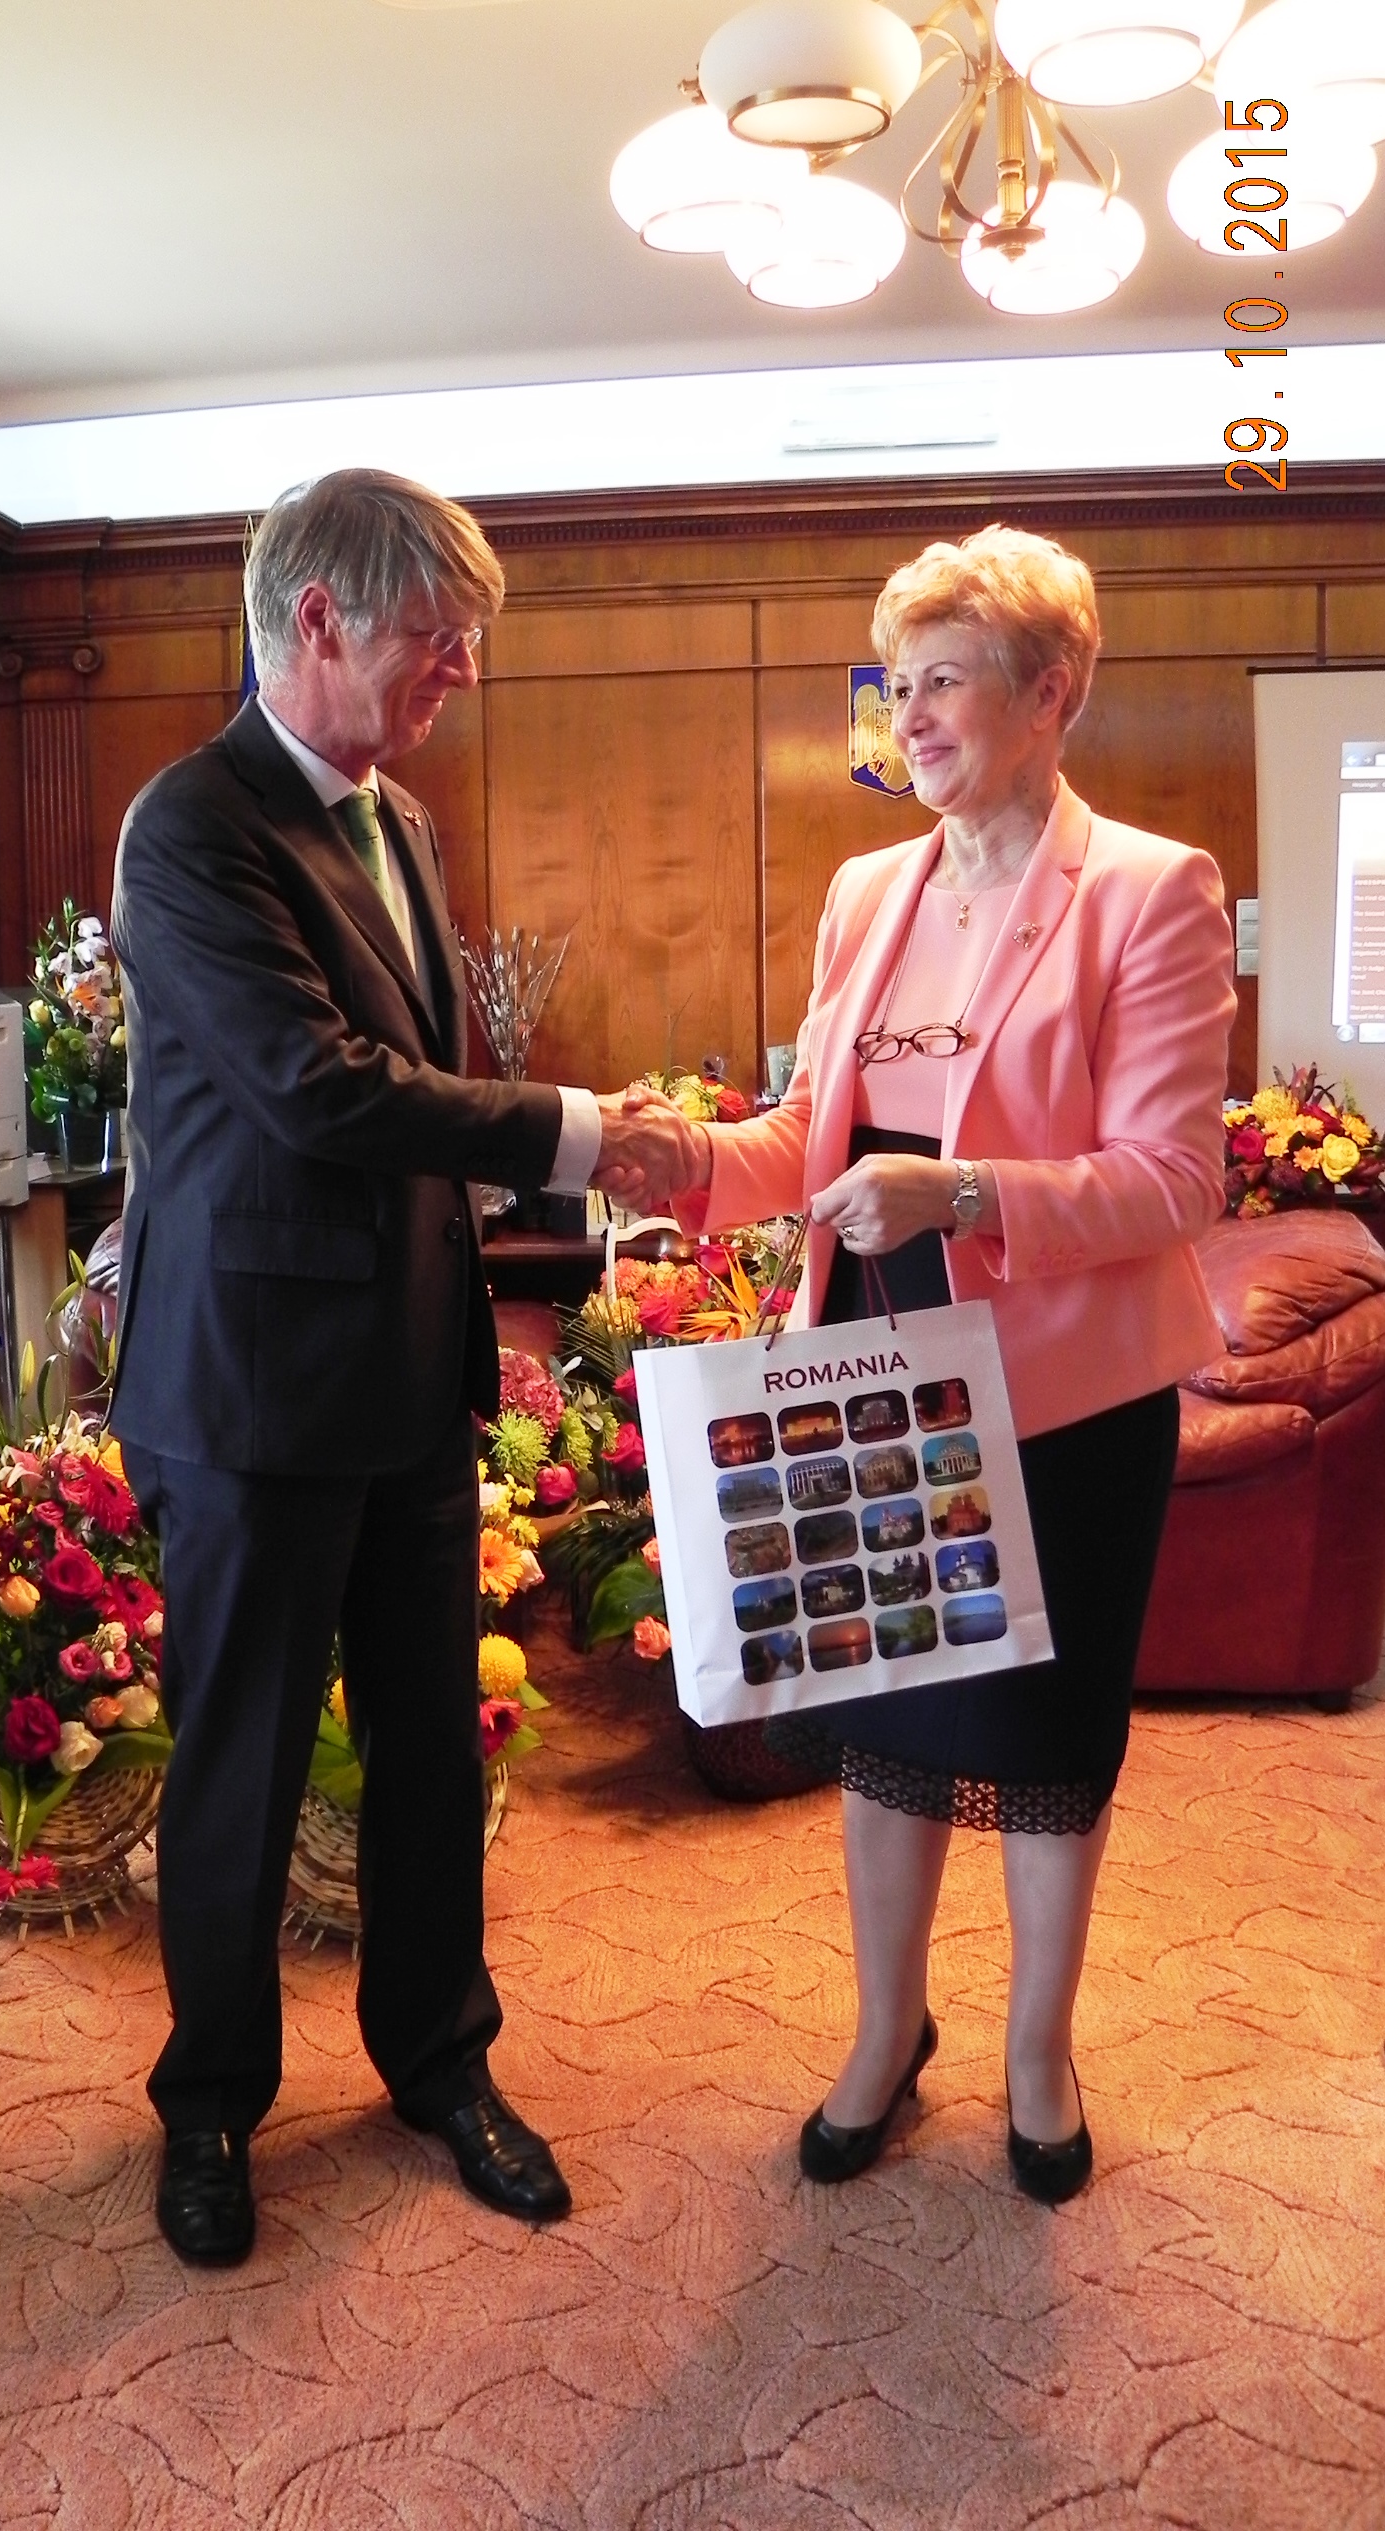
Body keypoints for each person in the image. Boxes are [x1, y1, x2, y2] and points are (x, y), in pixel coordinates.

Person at [107, 468, 696, 2265]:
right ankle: (211, 2102)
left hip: (408, 1377)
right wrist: (576, 1133)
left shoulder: (400, 822)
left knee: (432, 1754)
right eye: (436, 639)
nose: (462, 673)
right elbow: (319, 1090)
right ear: (317, 620)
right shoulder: (189, 827)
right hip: (252, 1393)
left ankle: (439, 2062)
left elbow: (411, 1081)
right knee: (241, 1765)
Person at [620, 526, 1235, 2203]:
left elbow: (1176, 1180)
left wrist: (962, 1194)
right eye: (897, 683)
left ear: (1053, 693)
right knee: (882, 1711)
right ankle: (887, 2033)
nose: (910, 715)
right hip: (868, 1360)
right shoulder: (864, 892)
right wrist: (694, 1160)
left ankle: (1038, 2055)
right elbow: (813, 1139)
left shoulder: (1149, 891)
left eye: (945, 679)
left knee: (1041, 1739)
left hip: (1061, 1392)